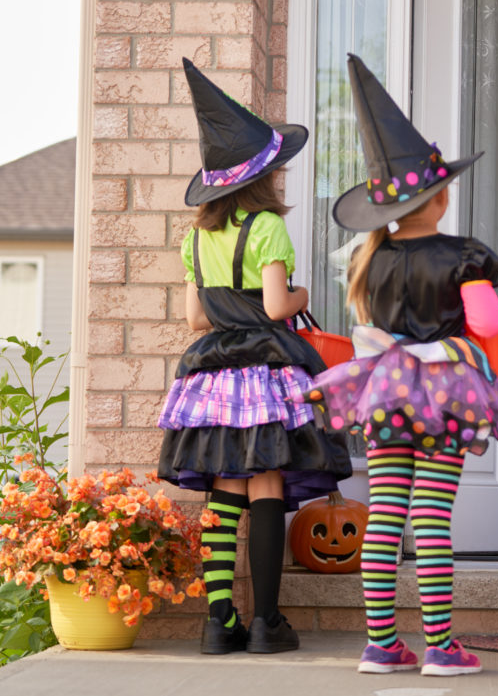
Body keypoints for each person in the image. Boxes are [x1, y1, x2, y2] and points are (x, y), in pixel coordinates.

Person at [297, 55, 498, 677]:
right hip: (445, 393)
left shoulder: (372, 261)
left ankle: (381, 644)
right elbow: (490, 325)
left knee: (386, 511)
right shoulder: (464, 255)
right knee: (431, 516)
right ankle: (443, 647)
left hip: (388, 390)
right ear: (442, 197)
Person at [157, 59, 350, 656]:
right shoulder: (266, 226)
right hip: (265, 366)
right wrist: (303, 295)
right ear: (262, 177)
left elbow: (194, 319)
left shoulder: (194, 237)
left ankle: (219, 623)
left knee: (222, 489)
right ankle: (267, 621)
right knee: (266, 481)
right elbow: (274, 308)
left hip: (212, 373)